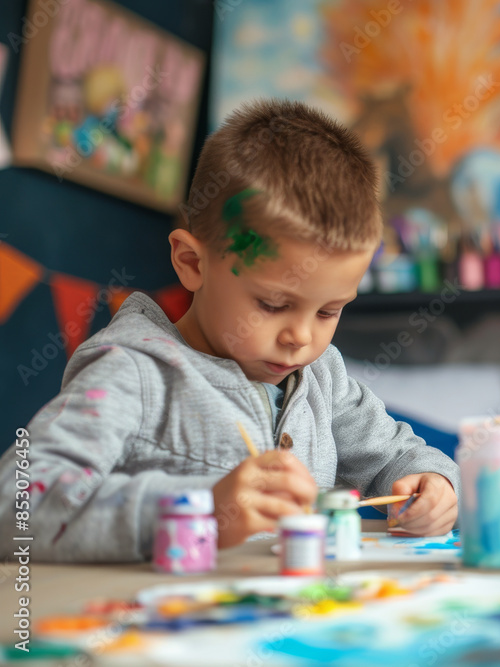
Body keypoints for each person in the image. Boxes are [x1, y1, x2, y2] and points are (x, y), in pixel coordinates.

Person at [0, 99, 459, 562]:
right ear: (192, 263)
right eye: (273, 305)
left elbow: (400, 456)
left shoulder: (323, 375)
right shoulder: (132, 373)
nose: (301, 337)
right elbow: (14, 508)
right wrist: (201, 509)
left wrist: (434, 484)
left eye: (328, 311)